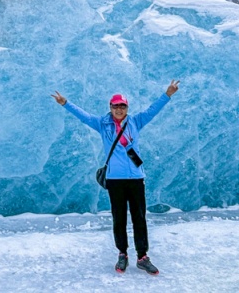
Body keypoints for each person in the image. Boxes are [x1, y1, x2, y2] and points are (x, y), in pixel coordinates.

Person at [51, 80, 180, 276]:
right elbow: (83, 116)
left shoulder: (135, 122)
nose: (119, 109)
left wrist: (167, 94)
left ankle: (143, 257)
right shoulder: (102, 125)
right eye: (115, 106)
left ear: (127, 108)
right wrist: (65, 103)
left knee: (139, 218)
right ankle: (122, 254)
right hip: (115, 180)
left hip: (136, 178)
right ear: (110, 108)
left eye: (122, 106)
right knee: (119, 218)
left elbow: (153, 110)